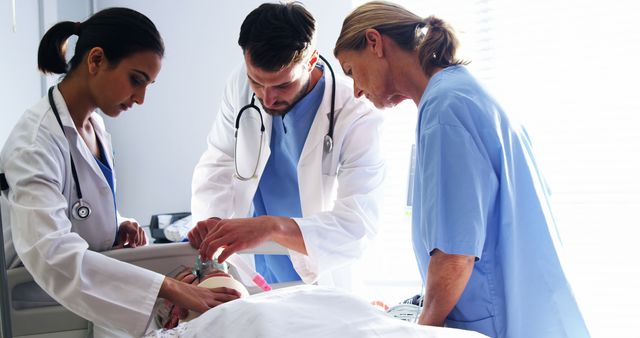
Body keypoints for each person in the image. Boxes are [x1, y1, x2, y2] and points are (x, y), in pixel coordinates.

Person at [333, 1, 589, 337]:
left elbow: (455, 254)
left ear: (374, 42)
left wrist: (422, 329)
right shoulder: (464, 93)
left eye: (351, 71)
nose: (356, 90)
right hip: (538, 314)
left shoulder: (445, 110)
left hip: (502, 322)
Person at [0, 8, 239, 337]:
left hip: (82, 289)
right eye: (136, 80)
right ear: (96, 60)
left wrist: (113, 224)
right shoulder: (34, 143)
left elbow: (75, 201)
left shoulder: (94, 124)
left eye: (148, 85)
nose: (141, 98)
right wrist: (167, 288)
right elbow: (50, 252)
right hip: (42, 301)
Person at [189, 2, 385, 288]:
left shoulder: (356, 114)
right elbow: (218, 163)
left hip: (319, 273)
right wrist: (213, 223)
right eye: (256, 82)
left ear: (311, 60)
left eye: (282, 85)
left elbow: (358, 224)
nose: (267, 99)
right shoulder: (239, 86)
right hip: (251, 267)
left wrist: (272, 227)